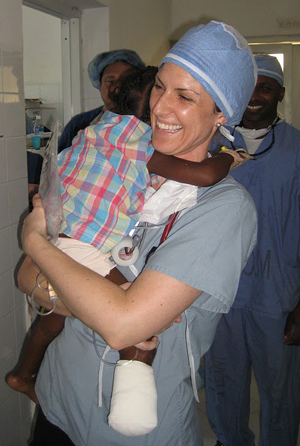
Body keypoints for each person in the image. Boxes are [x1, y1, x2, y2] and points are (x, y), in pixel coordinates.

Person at [18, 21, 258, 446]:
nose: (161, 107)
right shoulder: (129, 168)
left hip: (132, 433)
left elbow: (121, 325)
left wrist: (38, 247)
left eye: (185, 96)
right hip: (57, 404)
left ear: (222, 113)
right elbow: (26, 276)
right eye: (160, 87)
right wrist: (103, 306)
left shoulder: (223, 208)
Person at [205, 54, 300, 446]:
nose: (255, 96)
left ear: (280, 92)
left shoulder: (296, 149)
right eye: (248, 87)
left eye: (265, 86)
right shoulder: (209, 145)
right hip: (218, 290)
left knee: (281, 389)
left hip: (277, 294)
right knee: (223, 382)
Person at [57, 49, 145, 153]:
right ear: (99, 84)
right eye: (110, 81)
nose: (117, 88)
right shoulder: (77, 124)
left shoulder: (146, 125)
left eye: (125, 80)